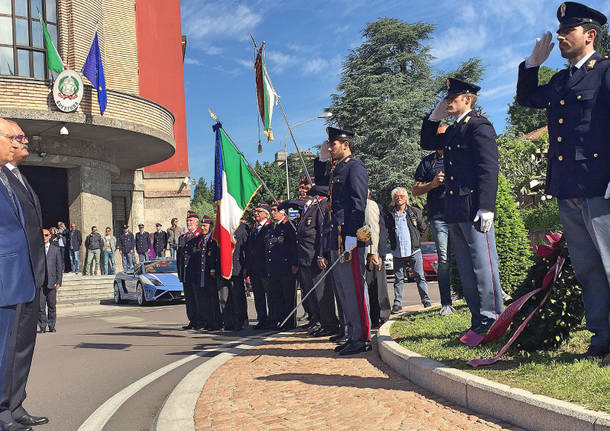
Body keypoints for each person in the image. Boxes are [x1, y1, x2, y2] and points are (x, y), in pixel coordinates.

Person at [516, 2, 610, 363]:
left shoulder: (604, 72)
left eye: (567, 31)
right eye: (559, 31)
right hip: (567, 186)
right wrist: (532, 66)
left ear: (590, 34)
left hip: (599, 184)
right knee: (587, 266)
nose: (559, 37)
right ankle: (601, 337)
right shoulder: (560, 80)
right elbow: (526, 98)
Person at [421, 77, 504, 338]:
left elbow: (488, 168)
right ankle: (478, 318)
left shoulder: (478, 126)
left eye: (452, 99)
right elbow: (426, 141)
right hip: (454, 207)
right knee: (467, 270)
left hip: (473, 206)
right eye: (446, 99)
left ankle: (492, 319)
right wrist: (433, 117)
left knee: (483, 265)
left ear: (467, 99)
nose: (447, 103)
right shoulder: (454, 130)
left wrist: (486, 206)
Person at [0, 119, 47, 430]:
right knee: (4, 349)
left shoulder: (15, 175)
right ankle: (2, 414)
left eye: (22, 136)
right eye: (15, 136)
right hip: (7, 275)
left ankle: (15, 406)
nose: (22, 141)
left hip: (29, 275)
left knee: (22, 347)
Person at [314, 127, 372, 355]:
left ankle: (362, 337)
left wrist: (353, 235)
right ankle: (352, 333)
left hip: (349, 237)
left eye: (333, 145)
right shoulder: (338, 168)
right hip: (336, 238)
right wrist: (320, 159)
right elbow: (320, 185)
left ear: (345, 144)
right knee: (344, 291)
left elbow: (359, 204)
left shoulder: (355, 167)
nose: (330, 148)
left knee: (355, 289)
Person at [412, 142, 455, 316]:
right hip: (439, 217)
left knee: (467, 256)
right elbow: (415, 190)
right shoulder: (427, 162)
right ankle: (446, 303)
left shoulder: (458, 156)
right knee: (443, 259)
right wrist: (433, 184)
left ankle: (475, 297)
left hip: (461, 215)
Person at [385, 188, 431, 313]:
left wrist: (416, 240)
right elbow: (387, 231)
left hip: (414, 251)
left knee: (420, 277)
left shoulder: (414, 212)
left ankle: (426, 301)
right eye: (396, 196)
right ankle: (397, 304)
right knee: (398, 279)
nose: (399, 198)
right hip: (397, 252)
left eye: (401, 196)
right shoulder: (390, 214)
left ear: (406, 198)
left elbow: (422, 228)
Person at [262, 203, 298, 330]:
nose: (272, 213)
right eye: (271, 210)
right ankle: (280, 321)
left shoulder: (288, 226)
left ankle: (289, 322)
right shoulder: (272, 227)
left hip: (286, 266)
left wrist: (294, 264)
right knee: (277, 296)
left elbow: (293, 246)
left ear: (283, 212)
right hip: (274, 267)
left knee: (288, 296)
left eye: (275, 210)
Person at [245, 203, 273, 329]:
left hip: (265, 268)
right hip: (255, 269)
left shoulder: (269, 227)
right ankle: (262, 318)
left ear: (266, 214)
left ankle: (273, 318)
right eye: (255, 211)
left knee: (270, 294)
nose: (256, 213)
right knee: (258, 295)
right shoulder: (253, 228)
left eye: (259, 211)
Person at [365, 194, 391, 328]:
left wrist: (377, 253)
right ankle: (373, 317)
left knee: (378, 287)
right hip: (363, 253)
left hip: (373, 253)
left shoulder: (370, 206)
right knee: (370, 288)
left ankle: (382, 316)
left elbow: (377, 231)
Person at [177, 211, 205, 330]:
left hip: (195, 273)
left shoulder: (200, 236)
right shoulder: (183, 237)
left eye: (191, 221)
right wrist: (180, 273)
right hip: (185, 273)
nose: (189, 223)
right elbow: (179, 257)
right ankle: (192, 320)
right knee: (189, 299)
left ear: (197, 222)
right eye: (187, 221)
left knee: (198, 298)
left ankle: (200, 320)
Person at [221, 220, 249, 331]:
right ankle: (229, 322)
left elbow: (246, 249)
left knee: (237, 296)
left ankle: (240, 321)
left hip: (237, 267)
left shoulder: (242, 228)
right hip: (225, 266)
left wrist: (246, 267)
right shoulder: (224, 226)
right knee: (225, 297)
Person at [199, 216, 221, 330]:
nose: (202, 228)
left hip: (211, 273)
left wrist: (213, 269)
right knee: (206, 299)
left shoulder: (213, 238)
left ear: (210, 226)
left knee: (214, 299)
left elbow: (214, 256)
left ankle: (216, 322)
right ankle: (209, 321)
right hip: (203, 273)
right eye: (201, 226)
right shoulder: (201, 239)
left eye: (205, 226)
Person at [39, 229, 63, 333]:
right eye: (42, 235)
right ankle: (43, 326)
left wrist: (59, 281)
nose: (44, 237)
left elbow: (59, 266)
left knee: (52, 305)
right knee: (40, 306)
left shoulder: (55, 249)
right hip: (40, 283)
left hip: (52, 282)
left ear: (50, 236)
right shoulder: (37, 249)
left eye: (46, 235)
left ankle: (51, 325)